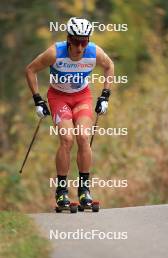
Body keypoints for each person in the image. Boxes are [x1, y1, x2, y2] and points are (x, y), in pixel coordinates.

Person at [25, 17, 114, 207]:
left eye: (84, 41)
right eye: (75, 42)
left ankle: (84, 191)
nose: (80, 47)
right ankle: (62, 192)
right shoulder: (54, 53)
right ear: (68, 39)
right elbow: (31, 70)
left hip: (82, 97)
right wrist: (37, 100)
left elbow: (109, 66)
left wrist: (105, 95)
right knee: (67, 139)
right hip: (59, 97)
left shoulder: (94, 52)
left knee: (83, 136)